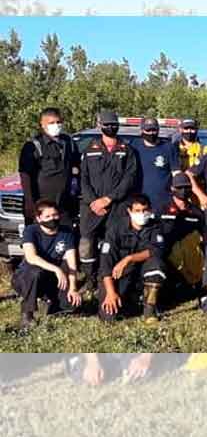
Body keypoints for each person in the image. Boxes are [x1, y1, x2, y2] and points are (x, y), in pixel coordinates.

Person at [78, 110, 140, 288]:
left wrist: (108, 199)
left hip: (117, 205)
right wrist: (93, 202)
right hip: (91, 205)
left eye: (114, 124)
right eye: (107, 125)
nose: (110, 127)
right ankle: (90, 278)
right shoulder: (90, 149)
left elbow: (130, 178)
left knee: (111, 241)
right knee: (86, 241)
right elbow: (83, 178)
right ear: (99, 126)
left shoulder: (127, 150)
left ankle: (109, 276)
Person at [98, 194, 166, 323]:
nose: (142, 214)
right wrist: (111, 292)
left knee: (157, 264)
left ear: (150, 210)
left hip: (142, 271)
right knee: (109, 317)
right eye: (137, 211)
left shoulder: (155, 226)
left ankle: (149, 310)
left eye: (145, 210)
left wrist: (129, 258)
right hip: (118, 274)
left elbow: (157, 250)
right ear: (129, 211)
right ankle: (131, 299)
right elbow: (105, 263)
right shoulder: (115, 228)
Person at [12, 200, 81, 328]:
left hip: (51, 278)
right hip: (26, 277)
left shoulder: (67, 232)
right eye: (47, 216)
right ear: (39, 218)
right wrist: (56, 269)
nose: (52, 219)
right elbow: (31, 257)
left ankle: (51, 303)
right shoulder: (30, 231)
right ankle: (27, 313)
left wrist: (73, 289)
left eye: (55, 215)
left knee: (72, 305)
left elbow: (72, 264)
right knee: (35, 271)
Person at [18, 107, 79, 226]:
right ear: (42, 124)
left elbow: (76, 166)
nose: (56, 125)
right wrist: (29, 202)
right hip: (41, 205)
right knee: (39, 240)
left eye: (58, 122)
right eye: (51, 123)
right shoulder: (33, 145)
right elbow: (25, 175)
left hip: (63, 206)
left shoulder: (68, 142)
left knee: (64, 240)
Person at [156, 173, 207, 297]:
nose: (183, 191)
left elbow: (206, 236)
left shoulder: (196, 212)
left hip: (190, 256)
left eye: (186, 187)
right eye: (179, 188)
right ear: (172, 189)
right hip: (166, 255)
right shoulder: (162, 209)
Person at [130, 117, 181, 211]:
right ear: (142, 130)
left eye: (154, 130)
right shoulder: (134, 147)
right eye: (148, 130)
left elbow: (176, 174)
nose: (151, 133)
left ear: (158, 130)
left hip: (163, 201)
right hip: (139, 203)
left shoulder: (169, 147)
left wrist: (178, 196)